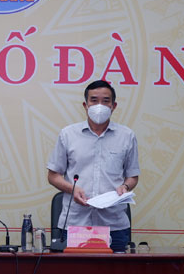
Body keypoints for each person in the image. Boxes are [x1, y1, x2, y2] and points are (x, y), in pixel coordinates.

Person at [47, 80, 140, 252]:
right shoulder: (68, 134)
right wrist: (72, 189)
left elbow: (133, 175)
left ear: (114, 106)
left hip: (114, 224)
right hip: (76, 223)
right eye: (94, 100)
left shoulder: (127, 136)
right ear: (85, 104)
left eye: (105, 101)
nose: (100, 105)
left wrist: (125, 186)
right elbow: (53, 175)